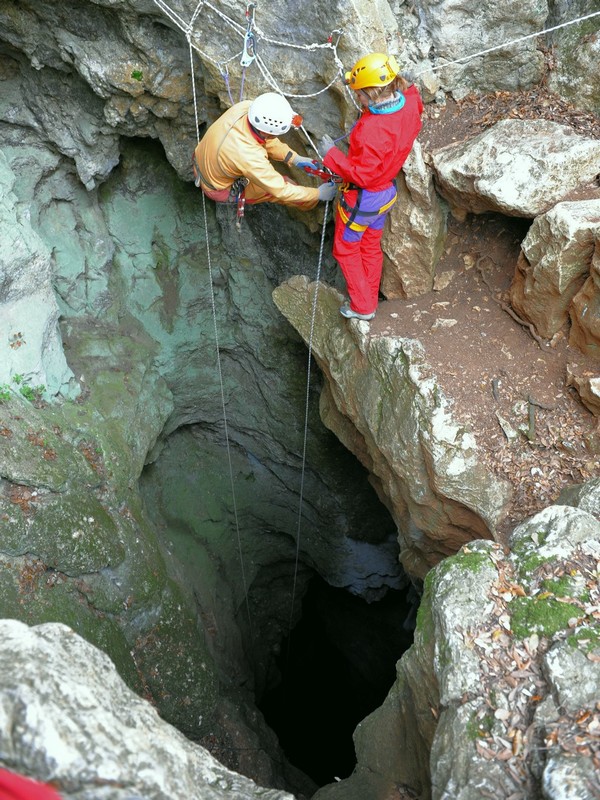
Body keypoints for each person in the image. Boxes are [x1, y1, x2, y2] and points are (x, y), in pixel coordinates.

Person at [320, 53, 424, 320]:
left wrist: (331, 155)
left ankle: (363, 306)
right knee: (369, 244)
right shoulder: (409, 105)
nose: (359, 100)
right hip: (386, 195)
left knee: (345, 248)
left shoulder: (373, 130)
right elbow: (413, 97)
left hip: (364, 198)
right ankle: (370, 296)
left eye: (361, 95)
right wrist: (410, 85)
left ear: (373, 94)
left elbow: (362, 175)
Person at [193, 92, 337, 211]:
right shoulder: (249, 156)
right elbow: (281, 190)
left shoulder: (246, 107)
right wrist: (317, 194)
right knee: (284, 185)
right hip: (216, 187)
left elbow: (264, 139)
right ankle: (312, 204)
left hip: (202, 160)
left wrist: (294, 158)